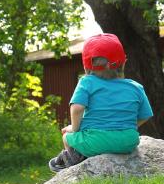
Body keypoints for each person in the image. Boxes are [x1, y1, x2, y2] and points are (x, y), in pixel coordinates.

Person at [49, 33, 153, 172]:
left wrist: (74, 128)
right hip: (128, 142)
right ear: (124, 62)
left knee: (67, 137)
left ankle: (74, 165)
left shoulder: (87, 82)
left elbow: (77, 108)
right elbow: (146, 115)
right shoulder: (136, 87)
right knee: (86, 135)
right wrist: (126, 126)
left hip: (96, 142)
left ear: (86, 67)